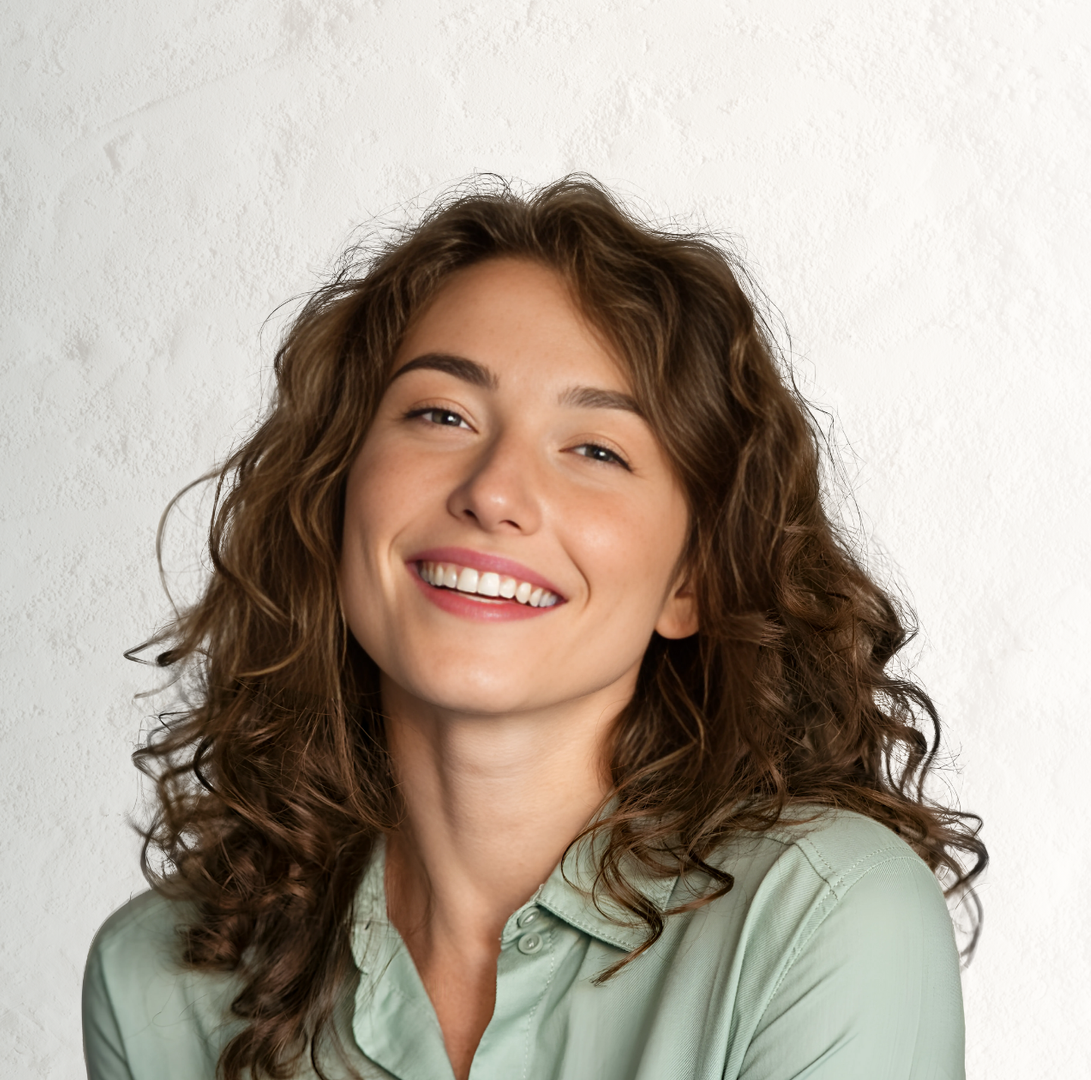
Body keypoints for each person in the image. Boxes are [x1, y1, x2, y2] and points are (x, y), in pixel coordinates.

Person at [80, 176, 986, 1080]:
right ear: (335, 498)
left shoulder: (823, 918)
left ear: (692, 580)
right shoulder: (159, 979)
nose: (494, 492)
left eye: (597, 449)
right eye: (442, 414)